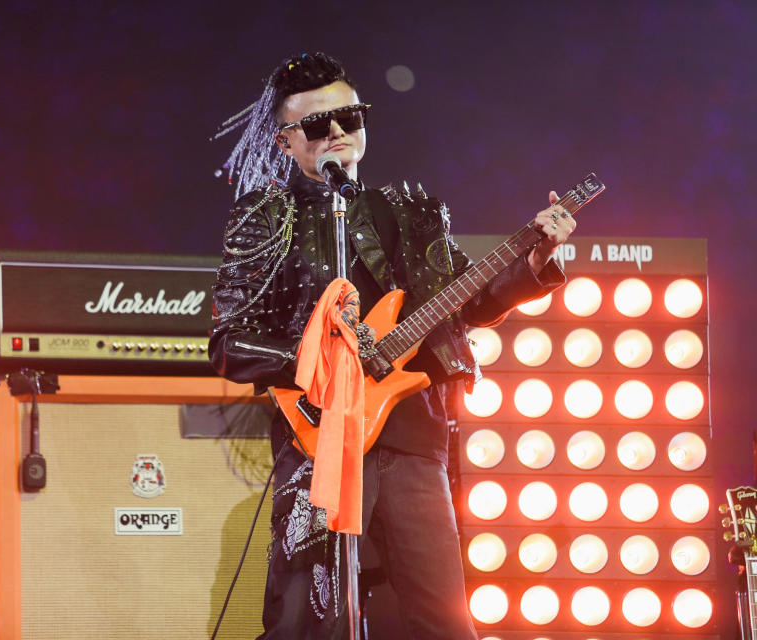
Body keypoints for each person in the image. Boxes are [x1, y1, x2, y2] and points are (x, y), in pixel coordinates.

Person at [209, 52, 575, 640]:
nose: (335, 133)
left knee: (443, 618)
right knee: (309, 619)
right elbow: (229, 343)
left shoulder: (412, 210)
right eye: (316, 125)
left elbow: (469, 302)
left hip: (411, 435)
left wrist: (534, 263)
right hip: (319, 441)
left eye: (348, 118)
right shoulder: (266, 218)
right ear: (285, 143)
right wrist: (323, 362)